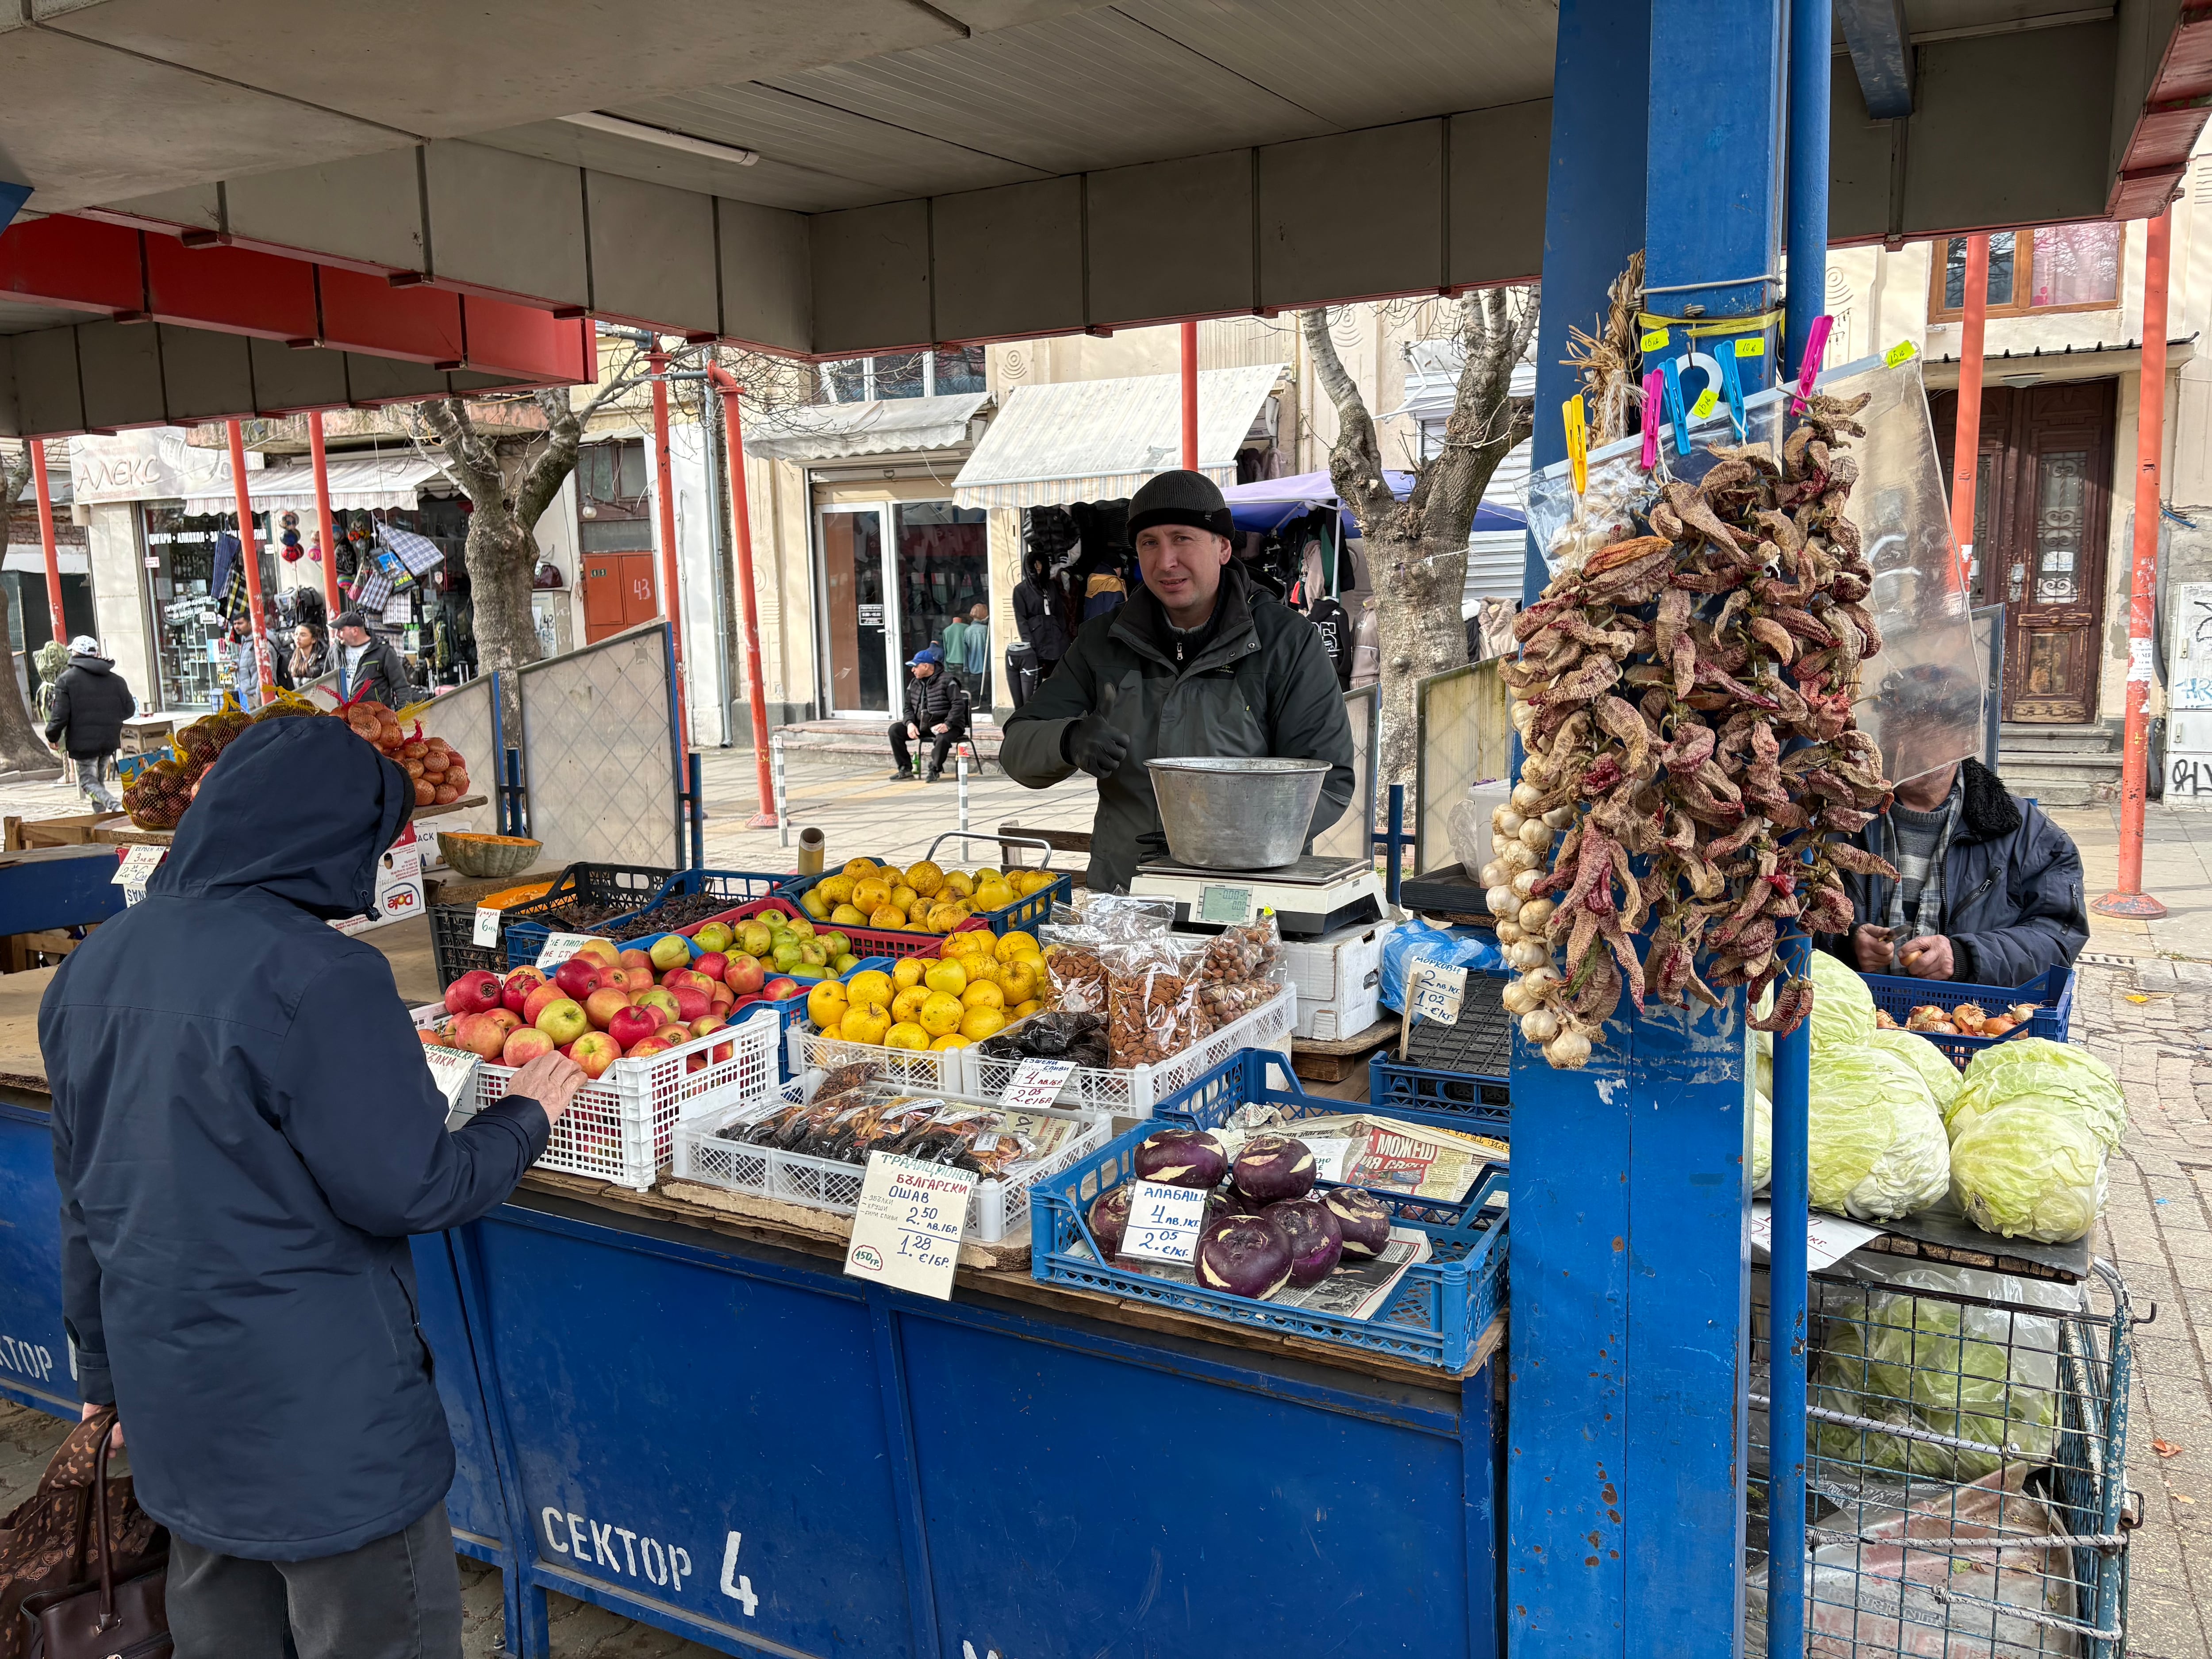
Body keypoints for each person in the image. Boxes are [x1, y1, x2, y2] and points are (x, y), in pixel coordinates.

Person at [39, 715, 588, 1657]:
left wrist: (101, 1375)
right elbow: (413, 1189)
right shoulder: (324, 974)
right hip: (326, 1433)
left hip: (176, 1409)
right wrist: (525, 1118)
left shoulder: (93, 965)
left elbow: (82, 1197)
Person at [1002, 469, 1356, 893]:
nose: (1166, 561)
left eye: (1182, 539)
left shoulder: (1286, 642)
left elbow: (1327, 781)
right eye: (1149, 543)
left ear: (1223, 547)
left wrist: (1222, 843)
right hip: (1127, 895)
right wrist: (1067, 739)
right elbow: (1017, 748)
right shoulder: (1101, 642)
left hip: (1247, 899)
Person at [1820, 751, 2089, 988]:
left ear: (1963, 739)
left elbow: (2058, 938)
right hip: (1852, 1016)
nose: (1906, 745)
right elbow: (1799, 914)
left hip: (1972, 1018)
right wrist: (1845, 942)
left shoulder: (2032, 836)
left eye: (1930, 729)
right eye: (1900, 728)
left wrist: (1966, 957)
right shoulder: (1830, 821)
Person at [42, 634, 135, 811]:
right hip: (109, 739)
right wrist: (110, 719)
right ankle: (100, 818)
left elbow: (60, 715)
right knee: (98, 782)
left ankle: (116, 806)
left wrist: (52, 736)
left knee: (87, 782)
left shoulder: (66, 680)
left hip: (83, 743)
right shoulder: (117, 681)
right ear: (96, 654)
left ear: (75, 653)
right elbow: (129, 710)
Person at [888, 645, 971, 783]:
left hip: (948, 726)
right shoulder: (914, 683)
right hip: (923, 725)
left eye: (916, 667)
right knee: (895, 730)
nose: (913, 670)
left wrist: (948, 724)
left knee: (942, 739)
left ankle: (934, 770)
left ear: (926, 666)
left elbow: (958, 705)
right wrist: (909, 724)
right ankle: (905, 769)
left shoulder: (948, 681)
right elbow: (908, 708)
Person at [332, 608, 411, 708]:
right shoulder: (336, 651)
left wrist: (406, 713)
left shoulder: (383, 652)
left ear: (355, 631)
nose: (337, 635)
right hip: (343, 715)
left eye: (341, 630)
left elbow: (401, 687)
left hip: (375, 715)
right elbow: (326, 682)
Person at [1013, 552, 1071, 680]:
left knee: (1060, 677)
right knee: (1039, 680)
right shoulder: (1021, 590)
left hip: (1056, 639)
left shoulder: (1051, 586)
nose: (1038, 566)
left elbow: (1059, 613)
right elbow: (1021, 620)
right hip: (1038, 640)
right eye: (1034, 564)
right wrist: (1029, 644)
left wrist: (1065, 637)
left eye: (1040, 563)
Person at [229, 612, 272, 711]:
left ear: (250, 624)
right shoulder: (245, 639)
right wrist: (237, 664)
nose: (236, 627)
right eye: (235, 624)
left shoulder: (259, 639)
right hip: (249, 693)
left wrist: (259, 692)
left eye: (240, 623)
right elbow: (250, 661)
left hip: (258, 694)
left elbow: (269, 666)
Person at [960, 601, 991, 707]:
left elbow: (965, 651)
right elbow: (989, 650)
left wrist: (966, 668)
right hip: (985, 668)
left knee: (974, 694)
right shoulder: (985, 630)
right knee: (986, 695)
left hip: (972, 668)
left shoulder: (967, 631)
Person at [283, 620, 327, 690]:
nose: (298, 638)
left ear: (313, 640)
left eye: (303, 635)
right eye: (296, 634)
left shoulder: (322, 658)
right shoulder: (294, 659)